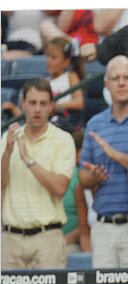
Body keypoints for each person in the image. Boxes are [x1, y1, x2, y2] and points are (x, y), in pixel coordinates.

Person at [79, 56, 128, 268]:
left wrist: (116, 155)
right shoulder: (94, 124)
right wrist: (92, 177)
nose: (121, 83)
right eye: (115, 78)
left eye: (127, 77)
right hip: (103, 226)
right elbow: (82, 177)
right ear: (106, 84)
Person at [2, 78, 75, 270]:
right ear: (23, 104)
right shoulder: (7, 139)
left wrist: (28, 159)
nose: (37, 109)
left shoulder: (63, 139)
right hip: (11, 238)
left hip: (47, 238)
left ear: (51, 107)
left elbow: (60, 188)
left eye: (43, 104)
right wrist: (8, 153)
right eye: (32, 103)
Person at [45, 37, 86, 131]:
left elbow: (79, 102)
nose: (48, 61)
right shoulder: (45, 81)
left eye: (53, 57)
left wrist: (56, 106)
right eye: (47, 56)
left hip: (67, 123)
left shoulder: (71, 76)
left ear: (66, 62)